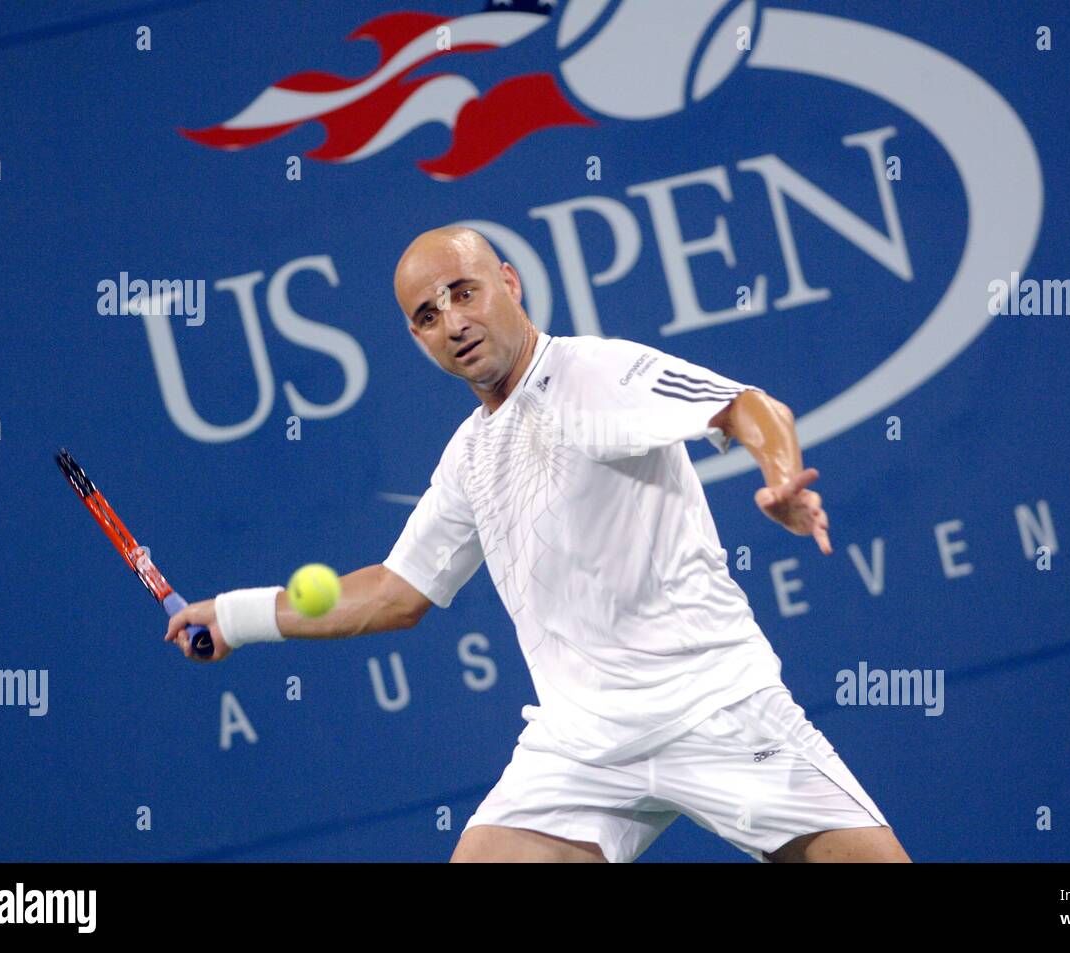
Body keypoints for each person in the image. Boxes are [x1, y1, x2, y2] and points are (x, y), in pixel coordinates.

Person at [166, 225, 911, 864]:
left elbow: (748, 405)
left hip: (715, 708)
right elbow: (394, 593)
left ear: (510, 283)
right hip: (582, 745)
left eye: (464, 292)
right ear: (417, 338)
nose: (453, 320)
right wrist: (233, 617)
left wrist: (781, 477)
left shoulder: (597, 373)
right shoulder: (469, 456)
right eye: (428, 315)